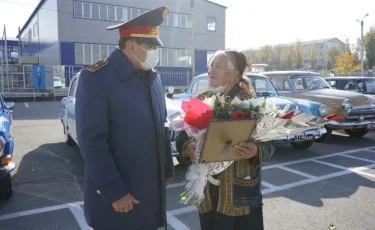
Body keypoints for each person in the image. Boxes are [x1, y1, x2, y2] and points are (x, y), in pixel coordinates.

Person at [75, 6, 174, 230]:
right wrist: (114, 192)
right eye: (150, 47)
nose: (154, 53)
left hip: (150, 195)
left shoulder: (153, 78)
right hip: (118, 201)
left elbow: (162, 126)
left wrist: (167, 168)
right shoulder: (97, 78)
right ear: (131, 46)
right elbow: (92, 142)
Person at [176, 50, 276, 230]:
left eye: (217, 67)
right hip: (208, 192)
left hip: (240, 194)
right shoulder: (202, 99)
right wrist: (187, 146)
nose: (211, 71)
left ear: (234, 73)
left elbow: (270, 142)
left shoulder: (251, 104)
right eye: (210, 66)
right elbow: (182, 133)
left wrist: (256, 151)